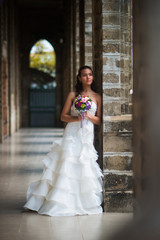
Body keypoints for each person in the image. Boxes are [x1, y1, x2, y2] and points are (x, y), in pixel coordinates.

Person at [24, 65, 103, 216]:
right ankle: (61, 201)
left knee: (83, 163)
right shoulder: (73, 95)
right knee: (67, 162)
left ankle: (83, 201)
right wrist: (76, 117)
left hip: (86, 134)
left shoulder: (97, 97)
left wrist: (89, 116)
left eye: (90, 75)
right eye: (85, 75)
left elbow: (99, 120)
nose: (88, 77)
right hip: (72, 133)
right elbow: (63, 116)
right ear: (79, 78)